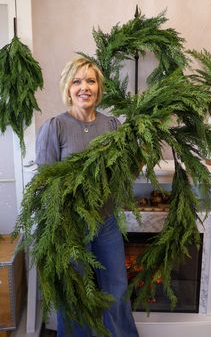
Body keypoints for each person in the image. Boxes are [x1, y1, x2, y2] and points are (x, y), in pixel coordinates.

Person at [36, 56, 139, 337]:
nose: (85, 87)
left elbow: (123, 174)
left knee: (116, 288)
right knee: (76, 293)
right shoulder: (54, 127)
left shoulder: (112, 126)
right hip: (71, 226)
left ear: (99, 88)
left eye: (91, 81)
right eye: (77, 81)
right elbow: (46, 184)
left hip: (106, 222)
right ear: (68, 88)